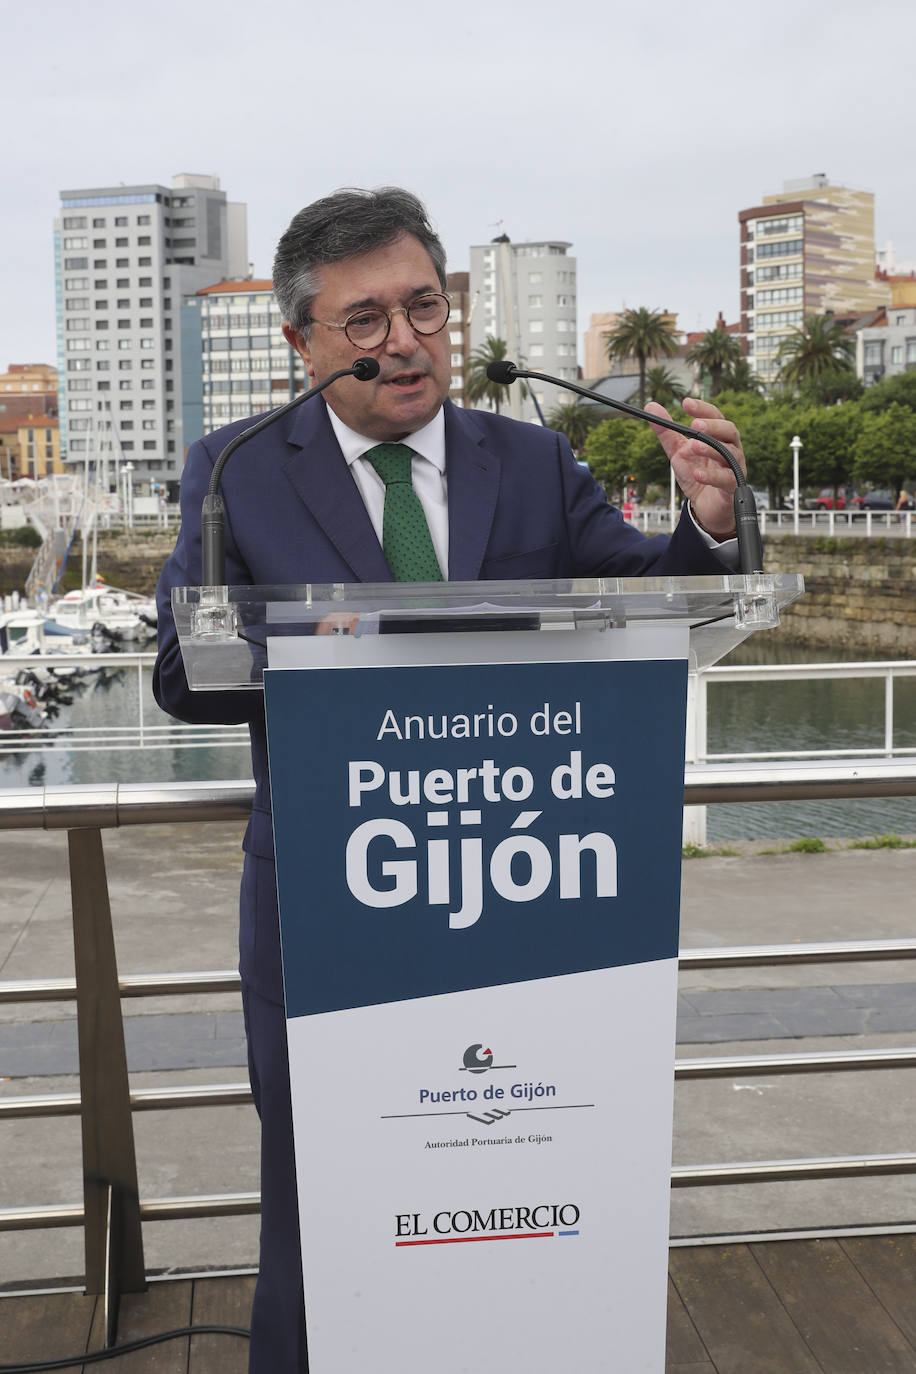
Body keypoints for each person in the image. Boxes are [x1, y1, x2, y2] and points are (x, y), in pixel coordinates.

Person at [153, 186, 748, 1373]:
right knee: (322, 1192)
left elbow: (648, 596)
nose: (403, 339)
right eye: (364, 318)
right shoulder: (236, 469)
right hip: (328, 898)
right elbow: (179, 670)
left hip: (523, 897)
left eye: (422, 305)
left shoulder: (530, 459)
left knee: (522, 1178)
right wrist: (293, 662)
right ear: (302, 344)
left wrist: (711, 521)